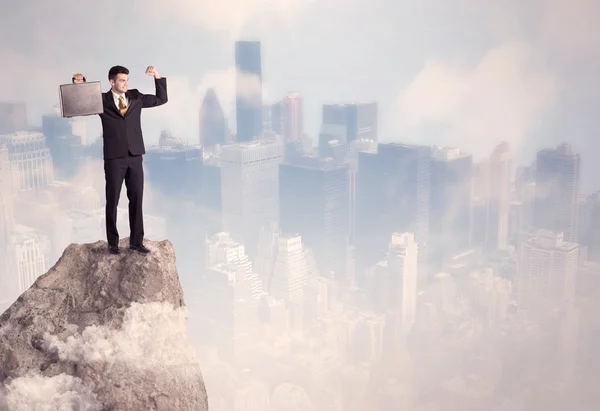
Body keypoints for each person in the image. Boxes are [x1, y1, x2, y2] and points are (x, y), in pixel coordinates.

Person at [72, 65, 168, 255]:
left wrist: (157, 77)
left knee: (137, 199)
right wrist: (80, 84)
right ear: (112, 82)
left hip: (135, 156)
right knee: (112, 200)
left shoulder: (135, 96)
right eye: (122, 80)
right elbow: (80, 104)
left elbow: (161, 99)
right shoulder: (102, 100)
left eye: (127, 80)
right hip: (114, 158)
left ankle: (136, 242)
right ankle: (113, 244)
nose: (126, 83)